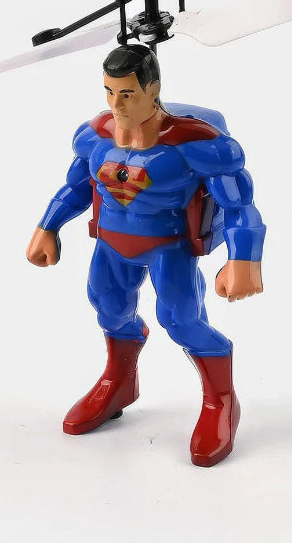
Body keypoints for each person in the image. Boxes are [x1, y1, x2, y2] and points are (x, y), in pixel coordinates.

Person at [27, 44, 265, 466]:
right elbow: (77, 187)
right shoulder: (96, 136)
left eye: (127, 94)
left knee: (182, 321)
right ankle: (119, 381)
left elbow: (239, 205)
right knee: (108, 308)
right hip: (111, 243)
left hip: (167, 246)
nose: (116, 105)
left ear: (152, 89)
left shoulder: (194, 144)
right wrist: (48, 226)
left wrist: (243, 259)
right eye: (109, 92)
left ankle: (221, 399)